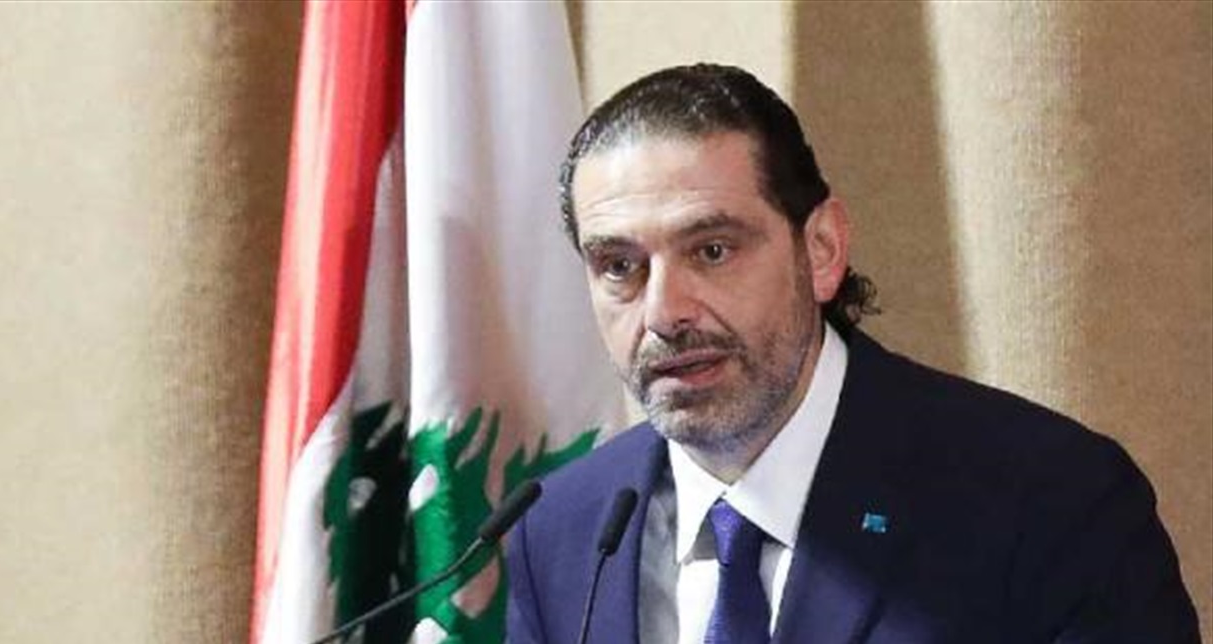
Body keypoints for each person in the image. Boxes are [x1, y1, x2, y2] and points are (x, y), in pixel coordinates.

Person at [505, 64, 1199, 644]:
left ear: (822, 250)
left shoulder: (1050, 500)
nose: (664, 313)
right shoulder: (561, 530)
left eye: (712, 250)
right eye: (619, 267)